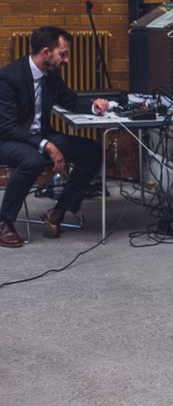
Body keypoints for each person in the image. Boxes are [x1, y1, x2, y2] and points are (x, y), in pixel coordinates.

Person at [0, 26, 108, 248]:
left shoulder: (49, 74)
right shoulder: (9, 78)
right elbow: (7, 127)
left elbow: (70, 100)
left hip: (41, 137)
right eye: (63, 53)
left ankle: (57, 212)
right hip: (9, 140)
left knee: (93, 151)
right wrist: (46, 144)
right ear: (46, 52)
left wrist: (94, 106)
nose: (66, 60)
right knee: (33, 160)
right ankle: (4, 222)